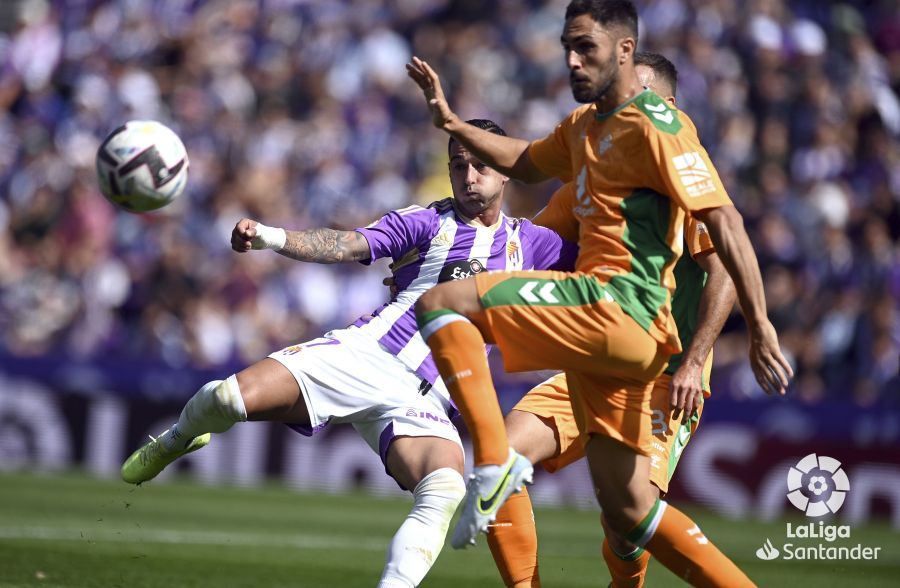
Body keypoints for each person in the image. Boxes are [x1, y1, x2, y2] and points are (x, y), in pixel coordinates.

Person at [406, 0, 792, 585]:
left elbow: (725, 241)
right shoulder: (586, 134)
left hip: (637, 331)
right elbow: (528, 171)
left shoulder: (662, 135)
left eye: (585, 46)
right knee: (627, 512)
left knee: (443, 306)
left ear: (628, 57)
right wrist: (453, 125)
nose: (571, 60)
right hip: (596, 341)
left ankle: (489, 471)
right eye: (568, 46)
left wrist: (749, 331)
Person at [119, 119, 577, 588]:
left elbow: (604, 262)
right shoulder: (427, 221)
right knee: (228, 399)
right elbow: (345, 244)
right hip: (367, 356)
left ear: (505, 171)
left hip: (429, 399)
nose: (468, 175)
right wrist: (270, 237)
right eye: (458, 165)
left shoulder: (534, 244)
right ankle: (178, 438)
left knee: (445, 489)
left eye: (480, 165)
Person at [486, 52, 738, 587]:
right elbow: (526, 248)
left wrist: (693, 364)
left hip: (665, 375)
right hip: (598, 359)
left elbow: (726, 273)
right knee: (499, 461)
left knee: (626, 526)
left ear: (668, 108)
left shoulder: (682, 181)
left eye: (638, 97)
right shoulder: (597, 181)